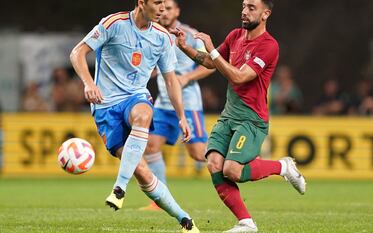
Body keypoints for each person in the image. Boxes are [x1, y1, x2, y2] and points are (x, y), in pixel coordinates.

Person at [172, 0, 306, 232]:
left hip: (251, 119)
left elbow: (239, 77)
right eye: (244, 6)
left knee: (232, 170)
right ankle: (246, 222)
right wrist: (185, 47)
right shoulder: (236, 36)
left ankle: (282, 167)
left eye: (251, 7)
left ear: (265, 14)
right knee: (214, 163)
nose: (244, 11)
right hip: (228, 116)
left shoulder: (268, 46)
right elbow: (209, 62)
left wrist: (212, 49)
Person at [69, 0, 199, 232]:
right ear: (142, 3)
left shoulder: (163, 37)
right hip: (105, 107)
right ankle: (185, 219)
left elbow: (170, 80)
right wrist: (88, 83)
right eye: (157, 3)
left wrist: (181, 116)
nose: (162, 8)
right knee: (143, 172)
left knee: (143, 114)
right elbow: (77, 52)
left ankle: (119, 187)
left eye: (165, 4)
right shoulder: (113, 24)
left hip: (136, 97)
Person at [140, 0, 215, 211]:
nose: (164, 12)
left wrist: (187, 77)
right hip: (164, 104)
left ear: (177, 11)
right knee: (150, 146)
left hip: (188, 104)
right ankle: (159, 200)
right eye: (161, 7)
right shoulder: (152, 32)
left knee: (198, 153)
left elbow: (212, 64)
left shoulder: (190, 35)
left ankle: (236, 161)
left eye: (169, 8)